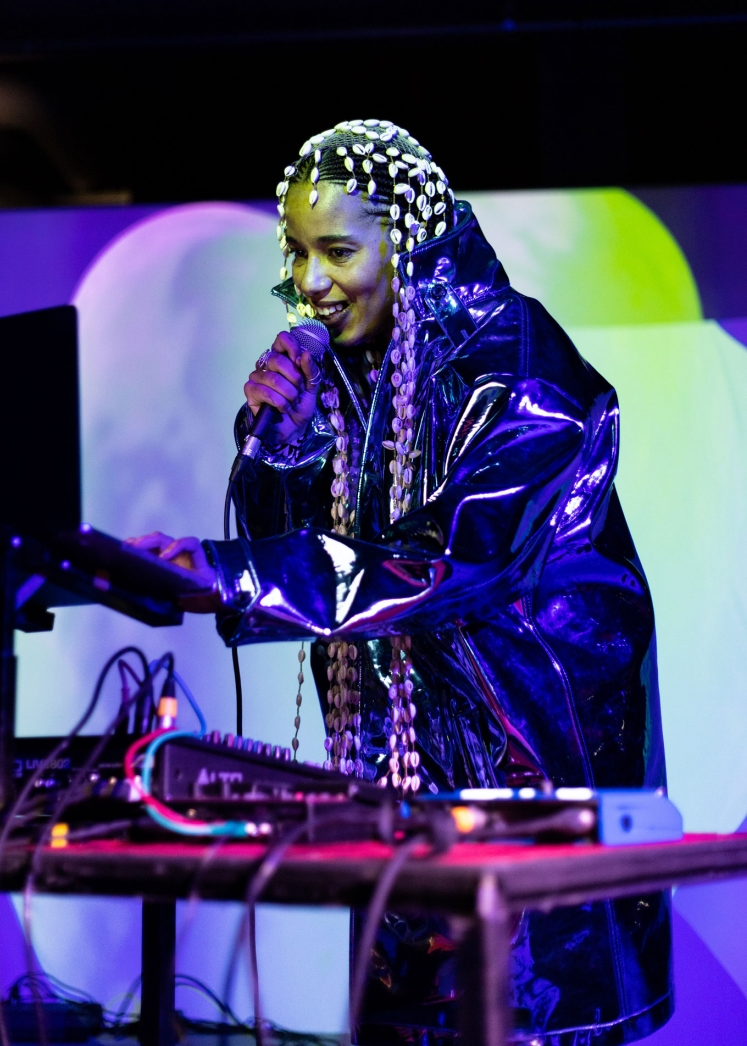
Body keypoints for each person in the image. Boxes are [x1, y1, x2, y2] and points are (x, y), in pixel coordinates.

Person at [132, 119, 672, 1045]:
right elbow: (321, 558)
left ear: (410, 241)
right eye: (296, 252)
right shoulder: (353, 374)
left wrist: (229, 572)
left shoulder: (518, 365)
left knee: (524, 1023)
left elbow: (443, 561)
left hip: (530, 798)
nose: (310, 282)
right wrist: (286, 449)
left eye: (337, 251)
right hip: (401, 808)